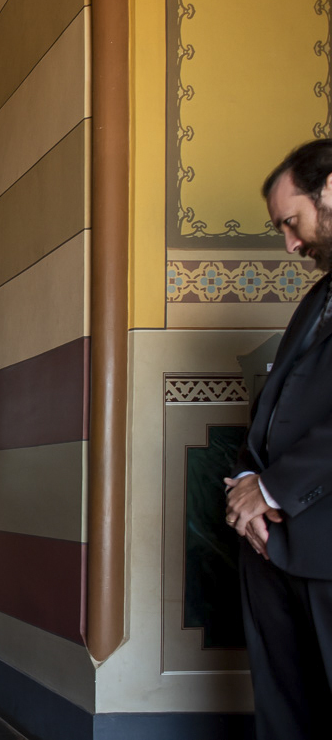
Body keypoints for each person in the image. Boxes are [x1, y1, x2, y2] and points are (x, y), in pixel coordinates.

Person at [225, 138, 332, 739]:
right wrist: (246, 486)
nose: (291, 244)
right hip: (272, 547)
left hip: (324, 546)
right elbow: (274, 402)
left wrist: (270, 489)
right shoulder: (320, 297)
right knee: (285, 710)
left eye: (291, 222)